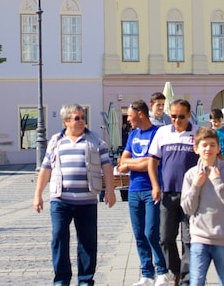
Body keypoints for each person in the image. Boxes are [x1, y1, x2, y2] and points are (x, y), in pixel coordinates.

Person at [33, 103, 117, 286]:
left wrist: (109, 191)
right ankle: (61, 281)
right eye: (77, 118)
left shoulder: (95, 140)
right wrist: (38, 194)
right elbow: (46, 168)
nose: (81, 121)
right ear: (66, 122)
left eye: (83, 117)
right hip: (60, 200)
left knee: (87, 243)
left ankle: (85, 281)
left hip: (87, 201)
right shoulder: (55, 141)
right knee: (58, 240)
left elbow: (107, 166)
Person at [117, 100, 170, 286]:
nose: (128, 119)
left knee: (151, 232)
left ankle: (162, 271)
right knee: (139, 234)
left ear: (140, 114)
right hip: (133, 190)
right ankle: (146, 274)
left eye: (130, 116)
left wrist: (133, 163)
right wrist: (141, 162)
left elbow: (152, 162)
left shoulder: (158, 133)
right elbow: (121, 162)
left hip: (152, 189)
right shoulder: (132, 135)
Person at [181, 126, 224, 286]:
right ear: (196, 149)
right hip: (199, 238)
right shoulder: (190, 175)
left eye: (212, 145)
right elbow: (188, 209)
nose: (208, 149)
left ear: (218, 147)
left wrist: (218, 182)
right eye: (204, 145)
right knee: (196, 282)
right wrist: (195, 186)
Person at [147, 98, 199, 285]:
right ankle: (175, 270)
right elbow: (152, 161)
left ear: (189, 114)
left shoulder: (197, 132)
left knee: (188, 239)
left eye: (181, 116)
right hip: (168, 194)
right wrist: (155, 185)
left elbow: (211, 156)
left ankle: (186, 279)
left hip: (191, 195)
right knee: (165, 238)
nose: (177, 120)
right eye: (174, 116)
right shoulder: (162, 132)